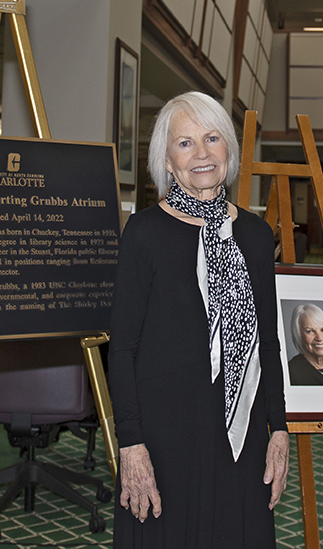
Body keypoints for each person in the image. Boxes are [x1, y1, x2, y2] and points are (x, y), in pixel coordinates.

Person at [108, 91, 289, 548]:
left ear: (228, 148)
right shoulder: (144, 232)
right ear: (167, 162)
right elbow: (123, 347)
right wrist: (130, 444)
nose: (202, 153)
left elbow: (268, 341)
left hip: (240, 434)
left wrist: (279, 429)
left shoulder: (254, 234)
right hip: (162, 437)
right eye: (185, 143)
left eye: (211, 138)